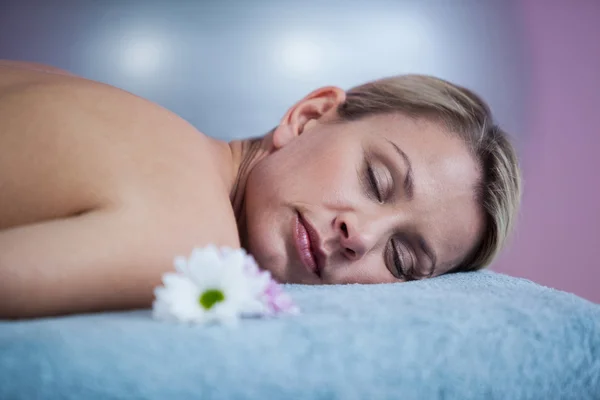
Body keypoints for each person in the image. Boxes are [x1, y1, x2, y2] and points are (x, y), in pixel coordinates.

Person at [0, 60, 521, 318]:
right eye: (376, 180)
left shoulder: (149, 128)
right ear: (309, 116)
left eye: (402, 259)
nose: (359, 236)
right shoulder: (193, 241)